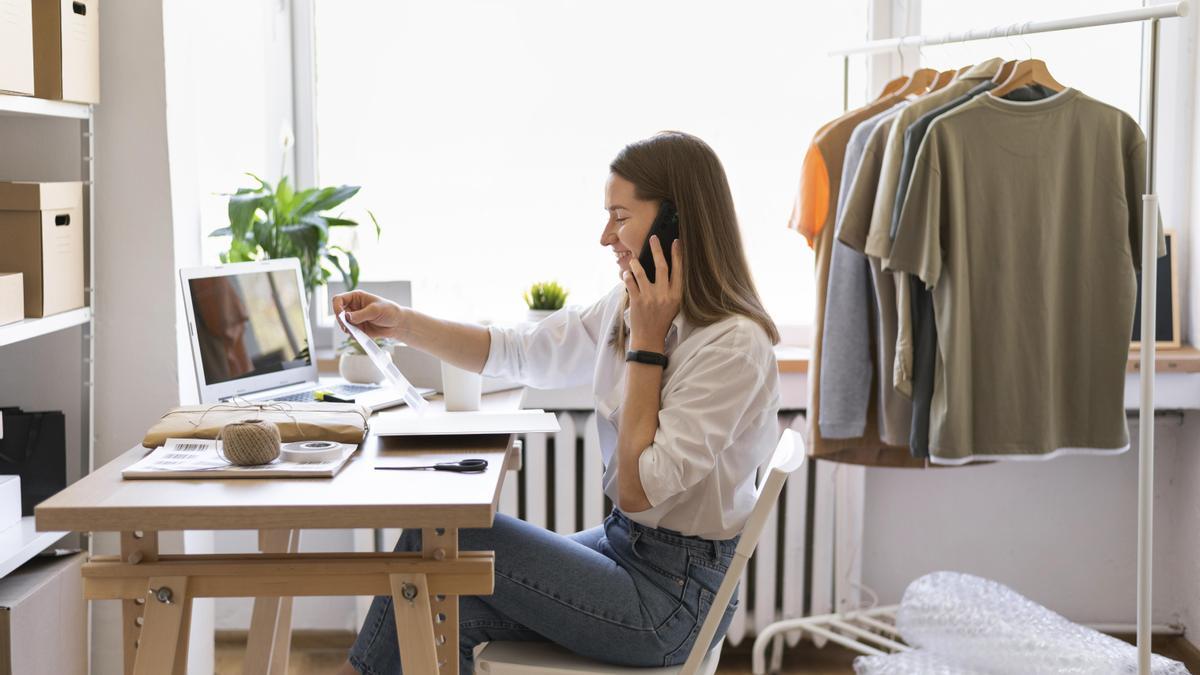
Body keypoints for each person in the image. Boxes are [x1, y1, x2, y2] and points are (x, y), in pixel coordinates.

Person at [332, 131, 781, 674]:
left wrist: (645, 345)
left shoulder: (732, 345)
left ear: (675, 224)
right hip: (629, 549)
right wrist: (402, 324)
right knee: (444, 597)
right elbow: (521, 351)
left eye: (620, 217)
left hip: (669, 602)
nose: (604, 236)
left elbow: (637, 492)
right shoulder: (630, 303)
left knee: (444, 535)